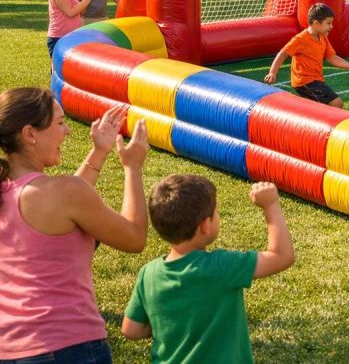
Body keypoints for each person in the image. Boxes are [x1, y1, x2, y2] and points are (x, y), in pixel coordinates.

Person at [0, 88, 149, 363]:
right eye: (59, 123)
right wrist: (132, 167)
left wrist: (99, 152)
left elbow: (63, 203)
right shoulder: (62, 192)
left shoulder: (12, 192)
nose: (67, 131)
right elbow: (134, 237)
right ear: (29, 134)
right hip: (68, 346)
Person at [121, 174, 295, 363]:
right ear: (205, 225)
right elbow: (281, 256)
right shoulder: (221, 266)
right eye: (216, 212)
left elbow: (131, 329)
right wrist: (271, 205)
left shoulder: (149, 273)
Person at [264, 3, 349, 108]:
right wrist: (272, 73)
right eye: (328, 23)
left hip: (316, 80)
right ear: (316, 23)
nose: (332, 26)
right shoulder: (300, 39)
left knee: (318, 107)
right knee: (336, 103)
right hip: (304, 82)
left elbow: (332, 57)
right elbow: (283, 54)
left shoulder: (323, 37)